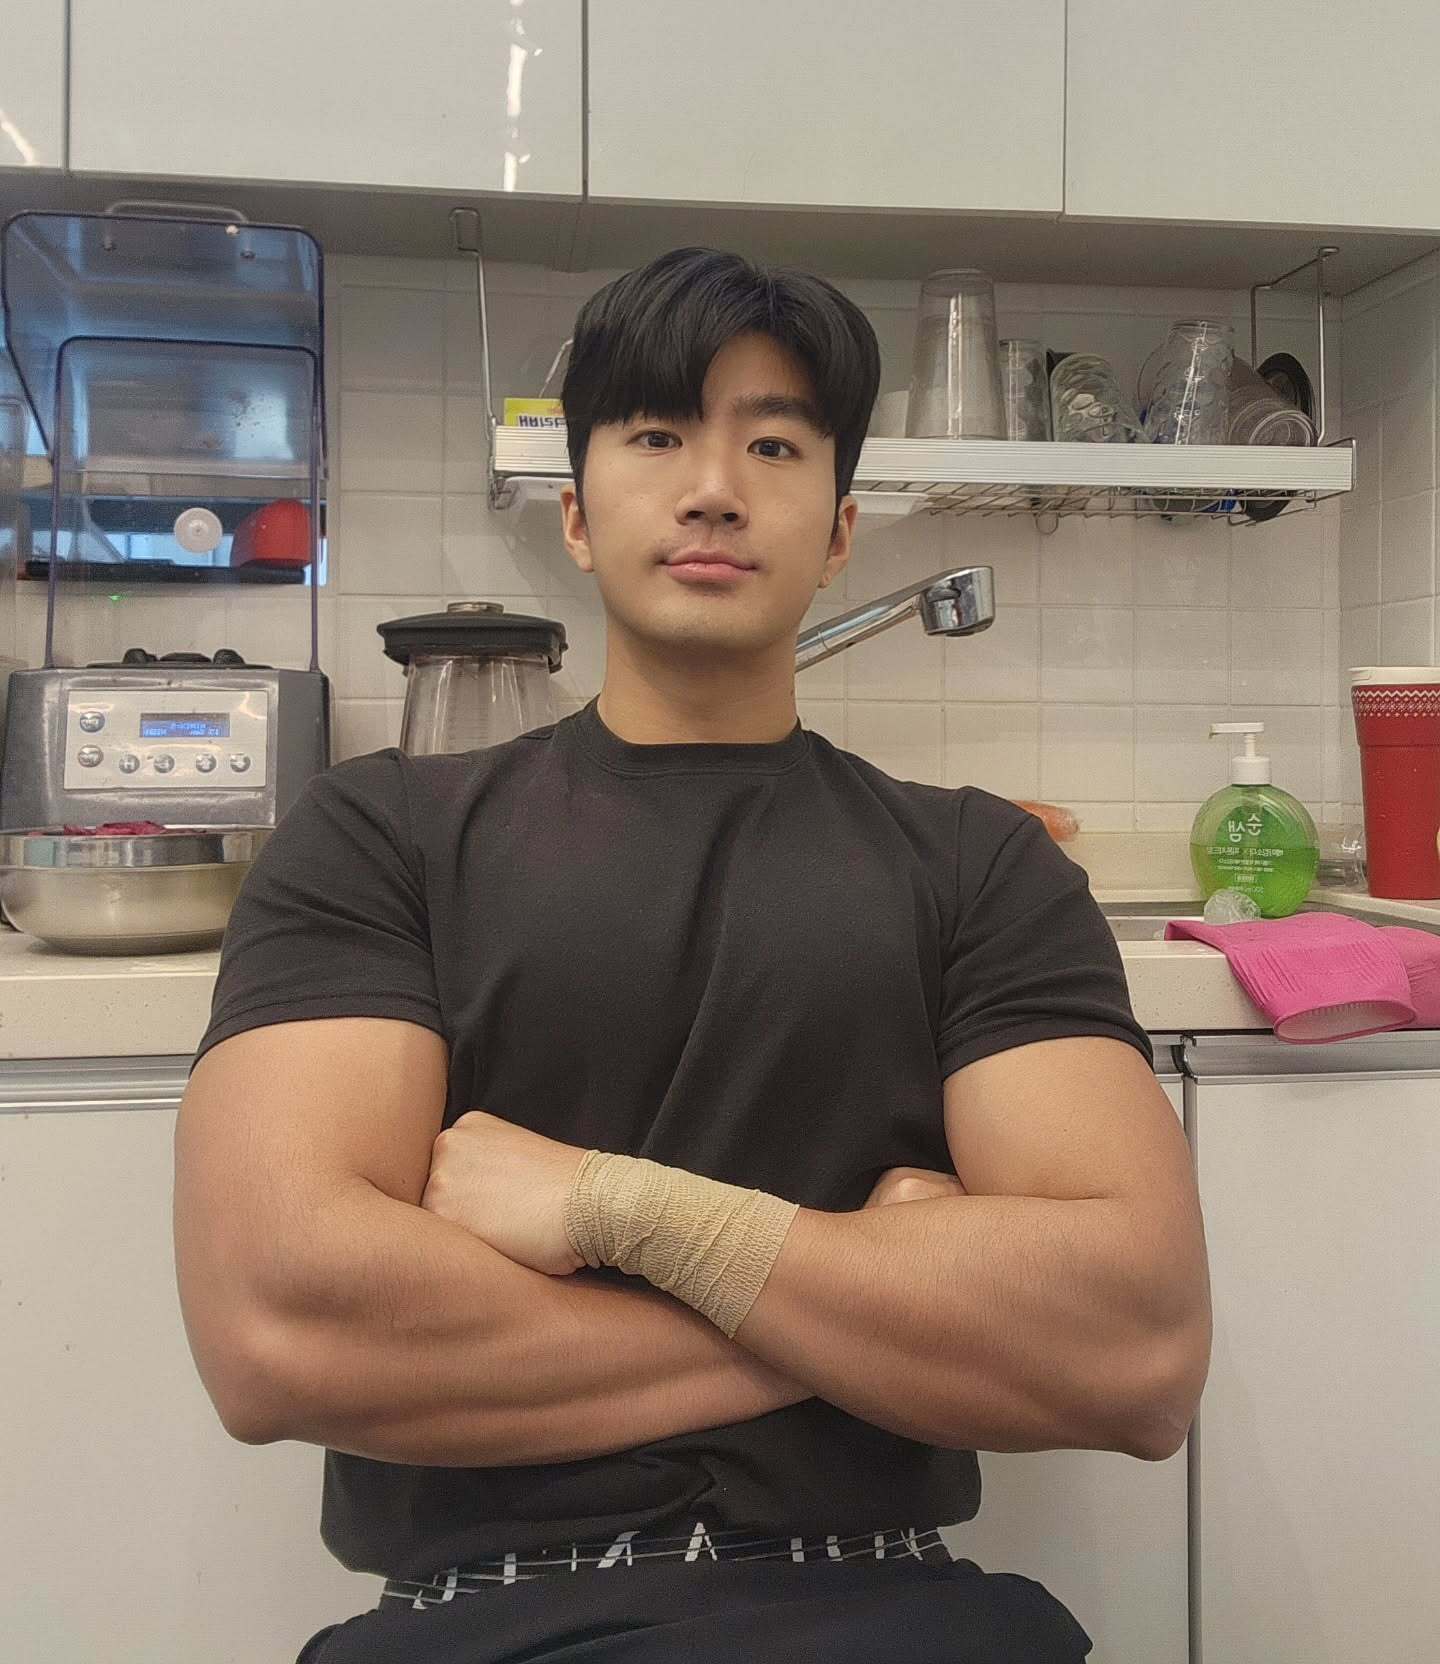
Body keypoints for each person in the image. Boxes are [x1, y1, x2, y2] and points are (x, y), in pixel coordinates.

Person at [175, 247, 1212, 1663]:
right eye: (658, 436)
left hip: (888, 1605)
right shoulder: (382, 838)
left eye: (774, 445)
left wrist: (614, 1210)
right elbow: (279, 1332)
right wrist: (874, 1300)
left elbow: (1137, 1352)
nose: (715, 487)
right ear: (577, 514)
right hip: (492, 1616)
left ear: (840, 531)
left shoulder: (982, 867)